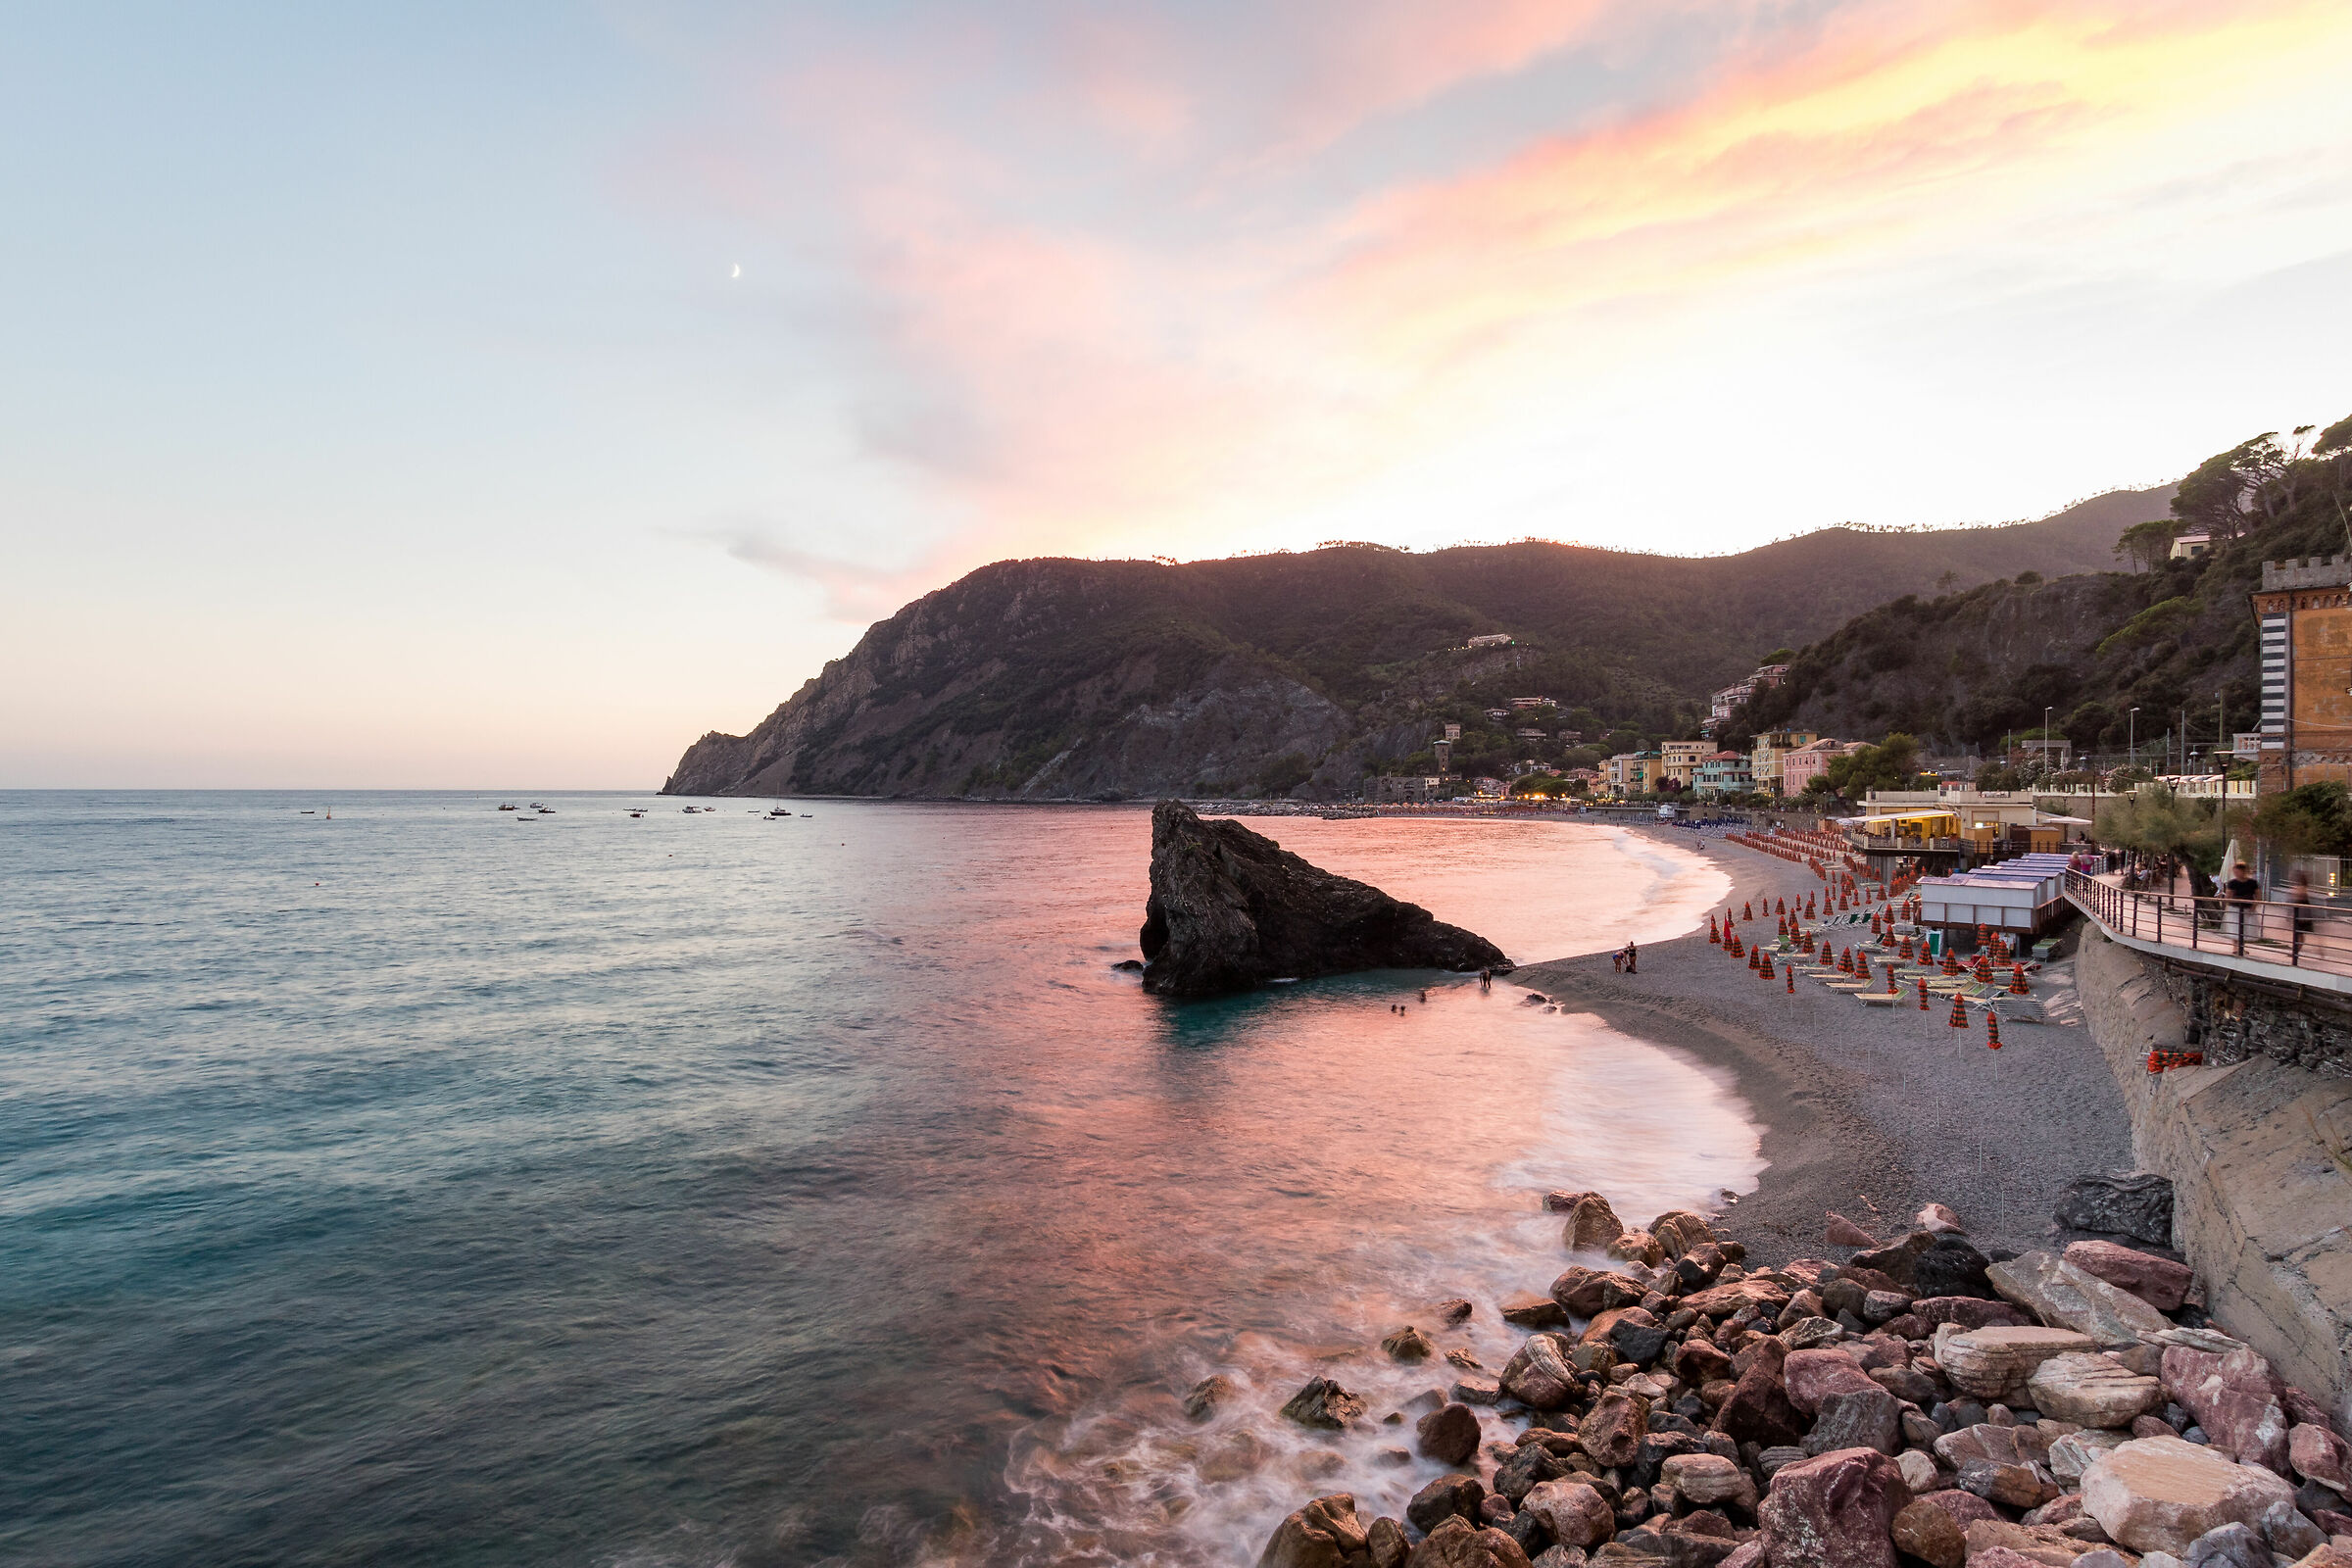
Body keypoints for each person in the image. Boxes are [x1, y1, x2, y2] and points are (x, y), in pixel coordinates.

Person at [2222, 859, 2261, 952]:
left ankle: (2241, 947)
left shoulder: (2252, 882)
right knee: (2235, 927)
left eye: (2237, 871)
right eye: (2235, 872)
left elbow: (2258, 895)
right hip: (2235, 908)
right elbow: (2228, 896)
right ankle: (2235, 947)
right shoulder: (2232, 883)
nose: (2236, 873)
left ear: (2243, 871)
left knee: (2246, 927)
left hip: (2248, 908)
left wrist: (2254, 906)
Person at [2288, 867, 2314, 962]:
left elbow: (2297, 898)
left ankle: (2295, 952)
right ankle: (2295, 951)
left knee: (2299, 934)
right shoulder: (2301, 888)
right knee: (2299, 934)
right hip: (2301, 914)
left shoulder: (2301, 888)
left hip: (2301, 915)